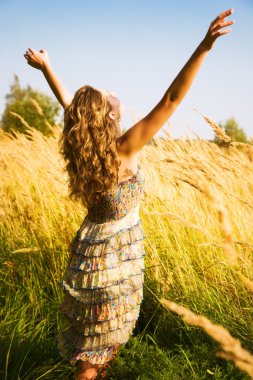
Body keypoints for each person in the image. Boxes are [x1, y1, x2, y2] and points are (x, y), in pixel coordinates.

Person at [24, 8, 235, 380]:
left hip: (89, 256)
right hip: (114, 265)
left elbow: (73, 110)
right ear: (107, 116)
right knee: (94, 360)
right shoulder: (124, 148)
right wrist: (204, 46)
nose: (115, 93)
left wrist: (47, 70)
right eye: (110, 95)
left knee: (95, 350)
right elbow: (171, 99)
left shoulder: (86, 149)